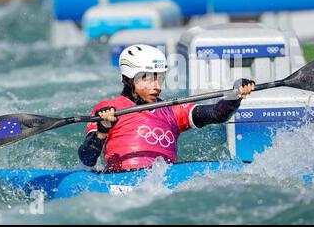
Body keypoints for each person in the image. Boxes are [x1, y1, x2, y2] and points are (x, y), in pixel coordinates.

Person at [78, 44, 255, 172]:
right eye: (148, 78)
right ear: (130, 79)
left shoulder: (173, 110)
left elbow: (217, 114)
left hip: (161, 182)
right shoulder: (109, 110)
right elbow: (87, 160)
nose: (157, 86)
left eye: (160, 78)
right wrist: (102, 132)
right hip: (119, 180)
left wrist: (234, 96)